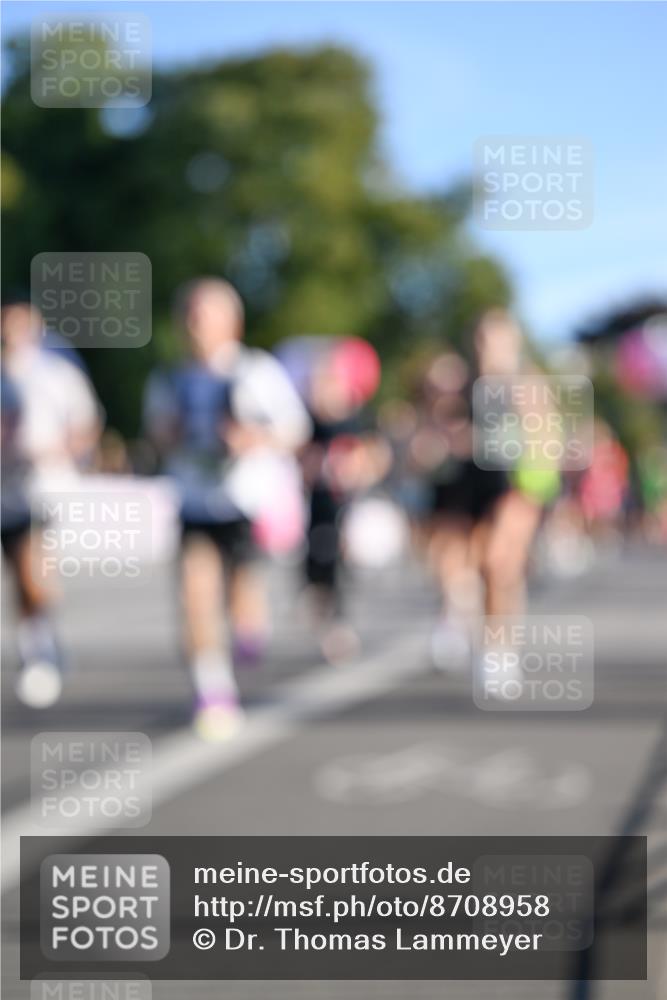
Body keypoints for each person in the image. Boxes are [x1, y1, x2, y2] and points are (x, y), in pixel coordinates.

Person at [143, 278, 310, 740]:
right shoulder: (169, 377)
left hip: (245, 504)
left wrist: (253, 438)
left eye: (204, 315)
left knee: (243, 602)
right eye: (190, 315)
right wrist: (169, 434)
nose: (195, 325)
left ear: (230, 321)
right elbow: (156, 435)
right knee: (195, 594)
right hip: (195, 504)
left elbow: (295, 430)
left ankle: (246, 639)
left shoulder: (257, 371)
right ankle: (213, 691)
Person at [415, 310, 560, 695]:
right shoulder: (461, 386)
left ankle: (500, 651)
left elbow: (544, 442)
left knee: (500, 565)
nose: (488, 350)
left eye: (496, 341)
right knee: (457, 562)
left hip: (513, 484)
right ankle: (458, 620)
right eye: (482, 340)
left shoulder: (526, 385)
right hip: (469, 485)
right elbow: (439, 433)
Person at [1, 300, 101, 707]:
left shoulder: (57, 375)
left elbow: (86, 425)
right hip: (5, 491)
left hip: (44, 489)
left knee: (33, 570)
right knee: (19, 580)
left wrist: (57, 450)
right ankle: (39, 642)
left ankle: (39, 655)